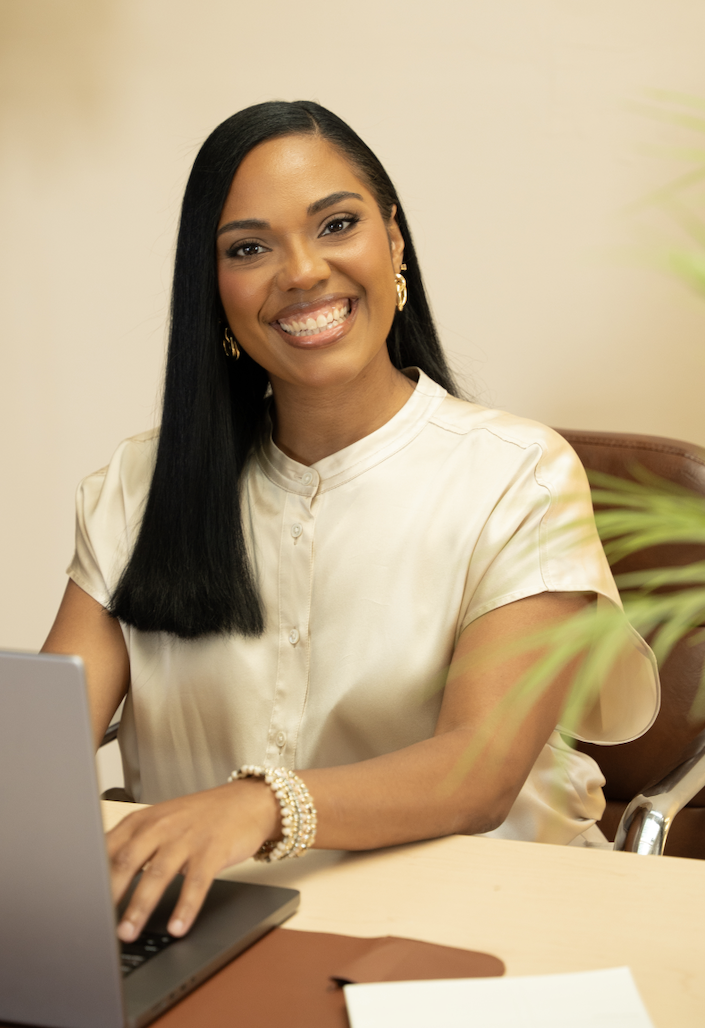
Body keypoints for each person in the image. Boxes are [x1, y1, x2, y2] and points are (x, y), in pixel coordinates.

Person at [42, 101, 660, 945]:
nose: (301, 272)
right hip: (209, 930)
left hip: (489, 927)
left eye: (337, 224)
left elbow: (477, 772)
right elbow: (35, 756)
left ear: (394, 243)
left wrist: (257, 805)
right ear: (211, 285)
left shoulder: (519, 474)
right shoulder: (139, 486)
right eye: (249, 248)